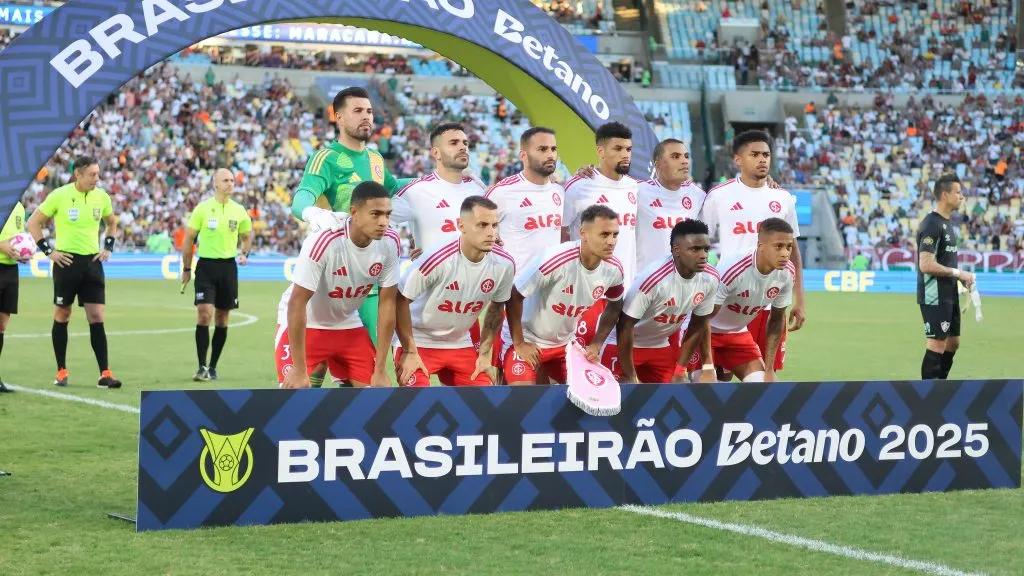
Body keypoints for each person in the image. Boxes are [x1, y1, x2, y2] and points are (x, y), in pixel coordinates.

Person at [289, 87, 412, 348]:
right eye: (357, 111)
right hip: (331, 276)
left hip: (370, 275)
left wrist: (436, 180)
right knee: (316, 367)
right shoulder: (326, 158)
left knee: (375, 361)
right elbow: (301, 199)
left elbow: (395, 187)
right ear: (339, 118)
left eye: (369, 111)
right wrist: (315, 213)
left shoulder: (375, 159)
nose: (366, 116)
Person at [698, 129, 805, 375]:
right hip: (729, 299)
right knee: (718, 377)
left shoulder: (783, 198)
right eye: (755, 154)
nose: (762, 159)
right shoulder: (719, 196)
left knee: (765, 376)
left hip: (768, 301)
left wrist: (800, 299)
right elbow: (700, 241)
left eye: (766, 154)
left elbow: (794, 251)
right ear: (738, 159)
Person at [280, 181, 400, 389]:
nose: (384, 222)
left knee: (378, 395)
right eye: (376, 214)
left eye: (387, 215)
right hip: (308, 323)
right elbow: (297, 303)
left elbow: (388, 304)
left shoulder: (390, 243)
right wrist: (298, 370)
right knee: (295, 397)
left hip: (347, 324)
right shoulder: (325, 241)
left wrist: (380, 369)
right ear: (354, 212)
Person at [394, 196, 515, 387]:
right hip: (419, 340)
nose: (491, 233)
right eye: (482, 225)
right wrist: (409, 351)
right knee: (416, 401)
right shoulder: (437, 258)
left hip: (460, 343)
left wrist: (484, 355)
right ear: (461, 225)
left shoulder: (505, 264)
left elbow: (496, 309)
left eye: (494, 225)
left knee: (486, 400)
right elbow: (399, 299)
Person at [26, 156, 121, 389]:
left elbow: (112, 222)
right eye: (92, 174)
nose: (96, 179)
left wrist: (108, 246)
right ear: (78, 175)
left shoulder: (102, 196)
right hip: (66, 263)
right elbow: (34, 223)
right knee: (62, 315)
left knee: (97, 316)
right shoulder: (60, 195)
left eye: (98, 174)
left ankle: (105, 374)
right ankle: (61, 371)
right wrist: (49, 252)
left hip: (92, 263)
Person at [504, 205, 625, 385]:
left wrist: (597, 343)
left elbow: (615, 304)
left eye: (615, 235)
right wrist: (520, 343)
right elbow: (514, 294)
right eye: (604, 234)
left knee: (591, 392)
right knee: (523, 398)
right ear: (583, 233)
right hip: (528, 339)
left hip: (564, 345)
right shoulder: (554, 259)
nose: (611, 241)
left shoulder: (614, 269)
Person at [483, 126, 564, 368]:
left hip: (552, 301)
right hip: (515, 301)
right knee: (509, 379)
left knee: (549, 380)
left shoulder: (560, 192)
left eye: (553, 149)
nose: (550, 154)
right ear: (523, 155)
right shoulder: (502, 193)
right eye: (542, 149)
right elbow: (472, 230)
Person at [689, 218, 796, 382]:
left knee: (763, 386)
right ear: (761, 246)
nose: (785, 253)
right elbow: (702, 319)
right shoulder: (733, 270)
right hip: (705, 332)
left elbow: (776, 320)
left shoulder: (787, 273)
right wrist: (708, 367)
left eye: (789, 247)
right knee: (706, 390)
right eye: (778, 246)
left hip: (737, 334)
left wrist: (769, 369)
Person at [614, 220, 720, 384]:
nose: (704, 255)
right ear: (676, 250)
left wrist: (679, 370)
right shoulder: (654, 279)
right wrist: (630, 375)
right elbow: (625, 325)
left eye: (706, 249)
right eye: (695, 249)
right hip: (623, 345)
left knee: (680, 392)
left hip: (659, 344)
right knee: (624, 393)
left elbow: (697, 324)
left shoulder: (711, 278)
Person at [562, 122, 638, 348]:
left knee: (616, 366)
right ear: (600, 151)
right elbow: (561, 232)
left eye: (628, 149)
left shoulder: (634, 187)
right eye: (618, 148)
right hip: (586, 293)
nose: (625, 154)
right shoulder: (579, 186)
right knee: (577, 360)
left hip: (625, 291)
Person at [180, 168, 253, 381]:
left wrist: (244, 253)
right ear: (216, 184)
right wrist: (186, 269)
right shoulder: (203, 209)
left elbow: (247, 235)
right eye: (226, 180)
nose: (230, 183)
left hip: (228, 268)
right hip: (206, 267)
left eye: (232, 180)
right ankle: (201, 366)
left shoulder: (239, 211)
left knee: (222, 318)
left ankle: (212, 367)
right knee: (204, 313)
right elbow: (188, 240)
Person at [390, 123, 483, 258]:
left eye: (465, 143)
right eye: (454, 143)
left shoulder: (478, 189)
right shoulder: (417, 191)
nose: (463, 147)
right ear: (436, 153)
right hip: (435, 278)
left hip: (479, 277)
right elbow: (377, 220)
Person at [916, 173, 974, 379]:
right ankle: (927, 397)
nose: (962, 196)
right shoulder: (931, 224)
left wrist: (961, 278)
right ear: (945, 194)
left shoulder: (947, 224)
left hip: (948, 292)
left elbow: (943, 263)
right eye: (958, 192)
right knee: (937, 344)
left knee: (953, 342)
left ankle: (940, 389)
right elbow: (926, 264)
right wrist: (958, 272)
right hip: (934, 294)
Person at [636, 139, 706, 272]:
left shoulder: (698, 195)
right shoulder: (637, 191)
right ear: (658, 164)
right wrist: (587, 173)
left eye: (686, 156)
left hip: (685, 283)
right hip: (648, 282)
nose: (684, 161)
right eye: (675, 156)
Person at [0, 200, 27, 393]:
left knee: (1, 326)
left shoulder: (20, 208)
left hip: (10, 270)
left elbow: (19, 239)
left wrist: (23, 253)